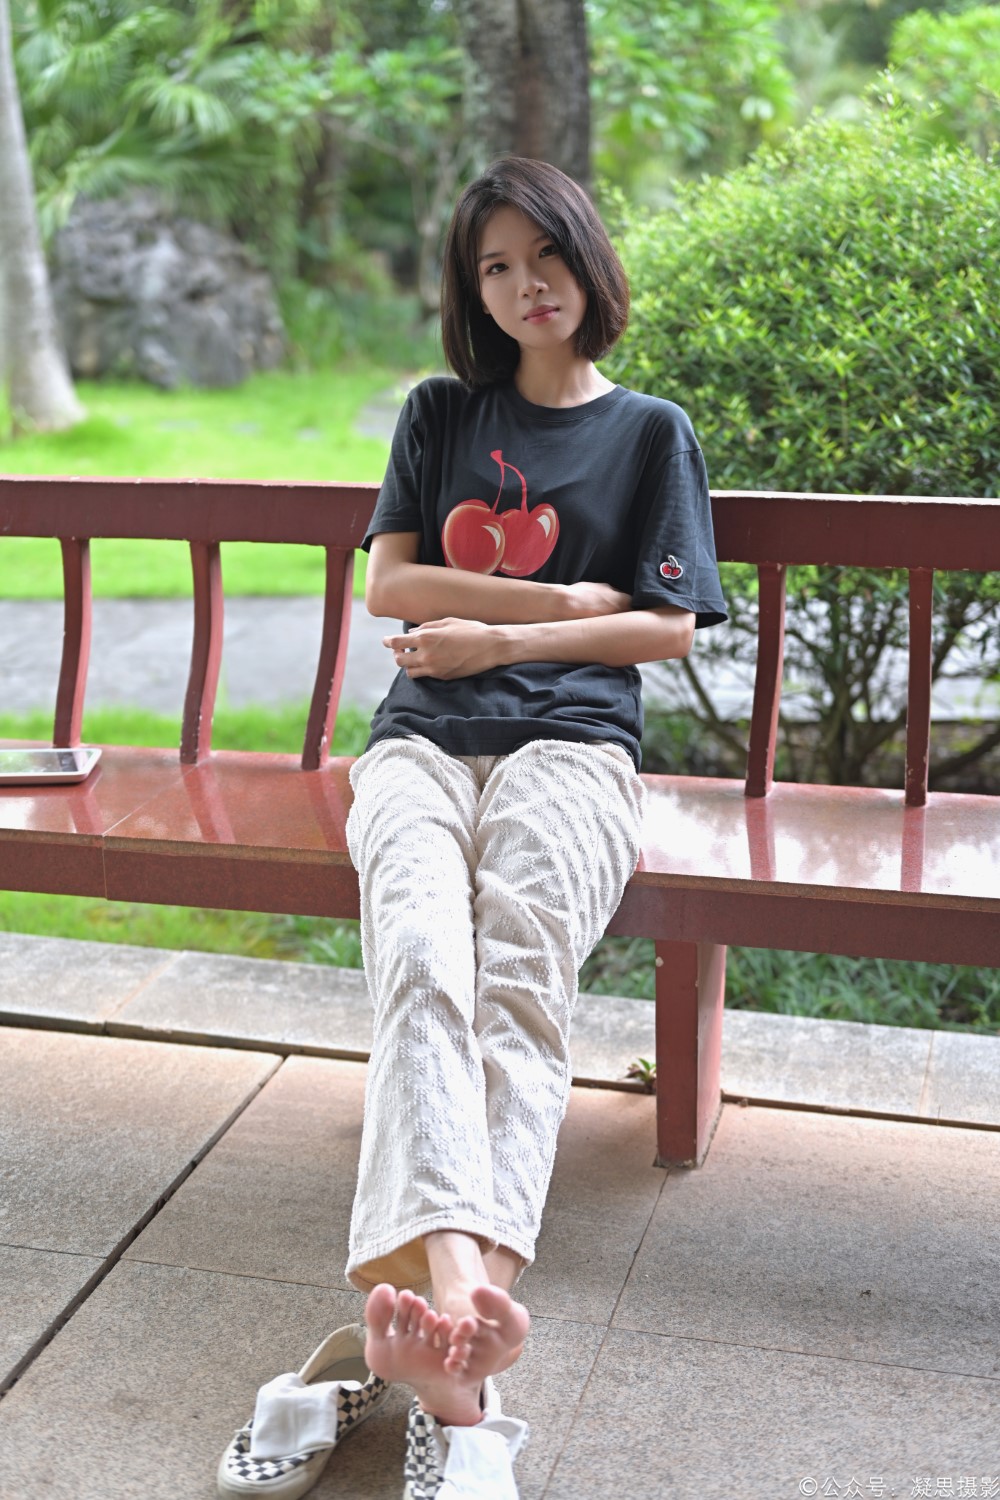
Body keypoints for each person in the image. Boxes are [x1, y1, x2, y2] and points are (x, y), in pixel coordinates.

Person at [217, 155, 726, 1500]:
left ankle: (419, 1341)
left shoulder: (651, 432)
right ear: (471, 290)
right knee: (422, 963)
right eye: (493, 267)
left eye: (542, 256)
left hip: (574, 749)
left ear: (587, 260)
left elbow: (667, 626)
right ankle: (464, 1339)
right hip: (419, 747)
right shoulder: (441, 412)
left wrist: (502, 632)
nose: (523, 285)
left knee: (521, 977)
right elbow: (390, 580)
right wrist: (558, 603)